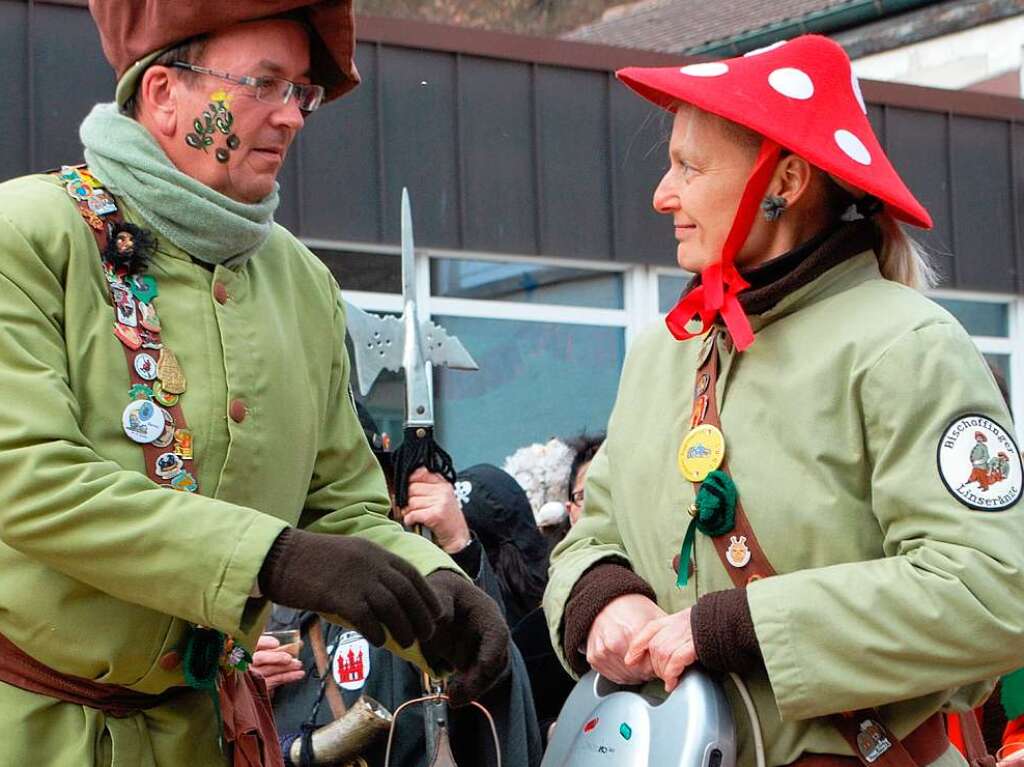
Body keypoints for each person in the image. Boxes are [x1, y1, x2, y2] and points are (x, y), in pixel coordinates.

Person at [0, 4, 506, 766]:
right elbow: (27, 480)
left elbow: (344, 505)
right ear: (164, 92)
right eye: (264, 84)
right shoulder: (28, 233)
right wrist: (273, 558)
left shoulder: (301, 282)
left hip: (212, 736)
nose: (293, 116)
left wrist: (436, 588)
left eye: (300, 91)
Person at [544, 35, 1024, 767]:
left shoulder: (911, 345)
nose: (662, 194)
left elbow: (993, 590)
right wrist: (602, 598)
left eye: (688, 167)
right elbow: (590, 534)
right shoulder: (661, 354)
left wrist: (735, 627)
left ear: (786, 180)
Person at [262, 409, 541, 767]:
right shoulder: (259, 594)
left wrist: (457, 545)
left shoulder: (415, 585)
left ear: (390, 491)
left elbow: (489, 671)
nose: (322, 501)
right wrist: (242, 692)